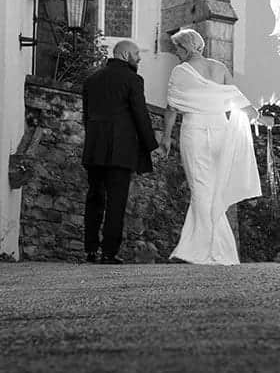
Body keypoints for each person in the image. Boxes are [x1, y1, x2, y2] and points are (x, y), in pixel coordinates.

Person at [156, 29, 262, 265]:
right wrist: (259, 117)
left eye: (177, 49)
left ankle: (199, 250)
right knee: (213, 190)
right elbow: (235, 99)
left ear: (185, 48)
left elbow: (172, 107)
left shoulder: (181, 71)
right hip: (221, 131)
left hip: (195, 131)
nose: (176, 53)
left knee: (201, 188)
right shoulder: (220, 68)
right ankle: (217, 249)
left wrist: (166, 138)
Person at [81, 40, 159, 264]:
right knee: (116, 201)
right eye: (136, 53)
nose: (139, 58)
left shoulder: (91, 80)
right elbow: (140, 115)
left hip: (95, 148)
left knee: (94, 198)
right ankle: (109, 252)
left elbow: (86, 116)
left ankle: (90, 250)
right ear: (125, 55)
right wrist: (152, 145)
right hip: (120, 150)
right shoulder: (133, 80)